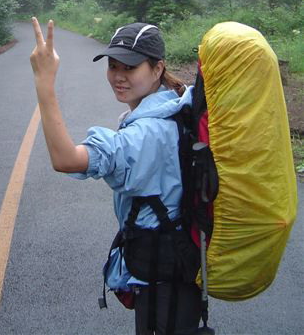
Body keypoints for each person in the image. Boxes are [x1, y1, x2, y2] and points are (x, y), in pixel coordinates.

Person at [30, 17, 202, 335]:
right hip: (176, 268)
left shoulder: (147, 134)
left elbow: (65, 159)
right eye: (113, 65)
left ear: (158, 68)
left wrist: (44, 82)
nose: (118, 76)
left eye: (130, 67)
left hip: (162, 279)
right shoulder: (175, 103)